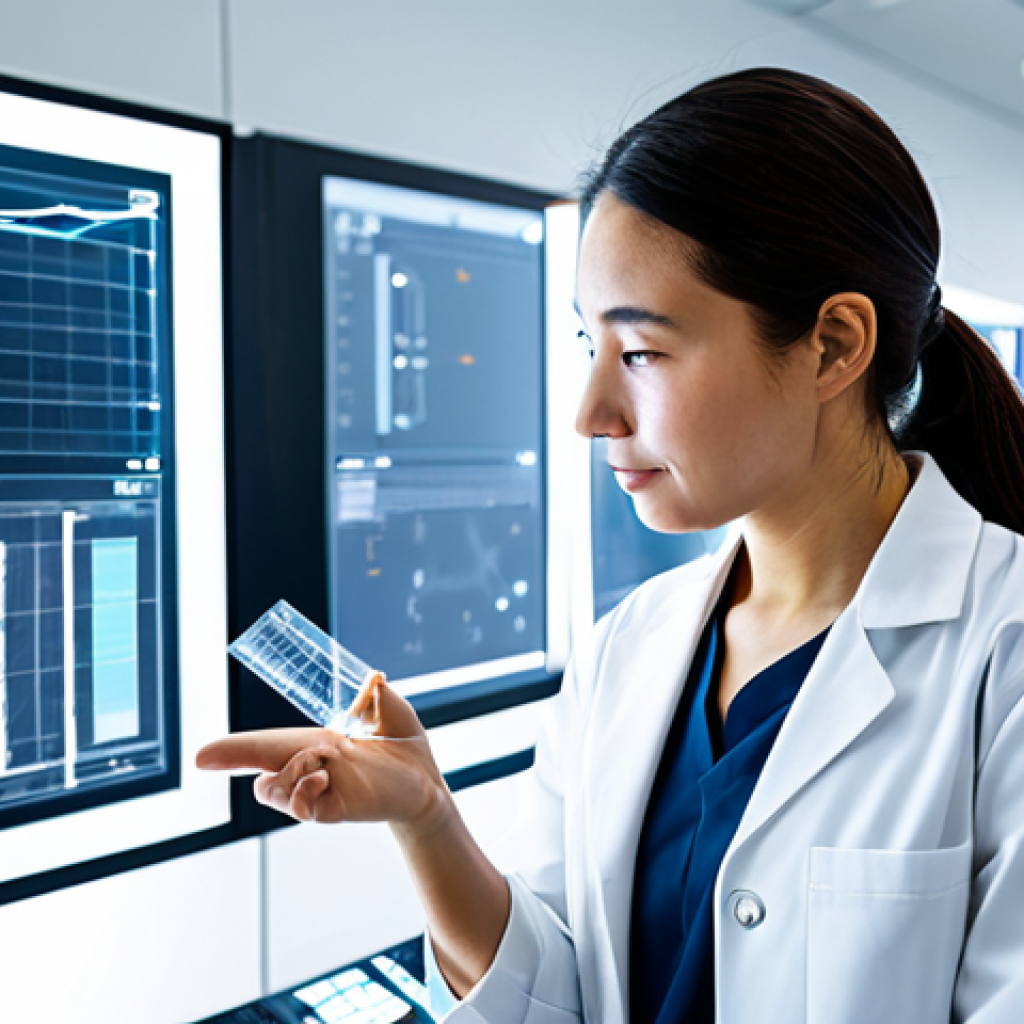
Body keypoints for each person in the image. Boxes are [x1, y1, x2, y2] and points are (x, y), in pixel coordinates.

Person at [197, 68, 1024, 1023]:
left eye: (641, 353)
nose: (591, 413)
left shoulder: (1000, 658)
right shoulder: (634, 645)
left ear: (834, 345)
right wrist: (428, 819)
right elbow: (564, 991)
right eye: (589, 346)